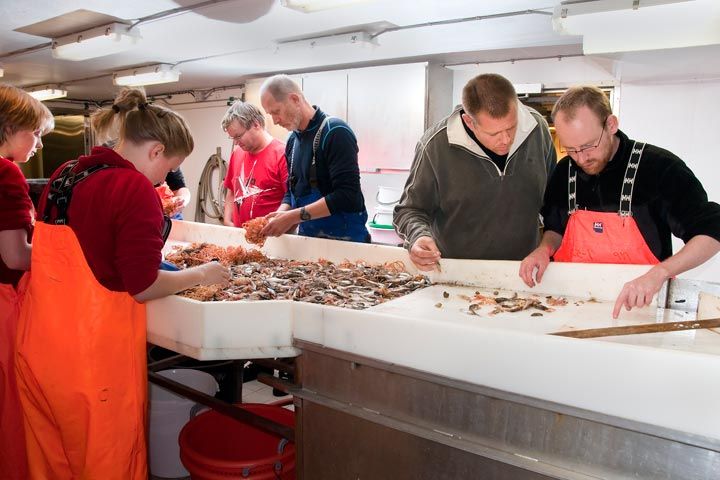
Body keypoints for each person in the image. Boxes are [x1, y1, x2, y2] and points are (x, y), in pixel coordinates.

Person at [15, 87, 230, 479]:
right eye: (168, 168)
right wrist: (203, 274)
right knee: (108, 465)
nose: (164, 180)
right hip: (93, 367)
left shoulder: (66, 174)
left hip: (37, 351)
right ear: (156, 151)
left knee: (51, 465)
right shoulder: (133, 188)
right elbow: (143, 286)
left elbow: (89, 251)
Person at [519, 85, 720, 318]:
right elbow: (555, 229)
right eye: (571, 150)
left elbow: (712, 232)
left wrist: (660, 272)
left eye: (588, 146)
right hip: (570, 308)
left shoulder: (660, 168)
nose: (581, 158)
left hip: (640, 310)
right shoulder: (564, 171)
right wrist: (544, 249)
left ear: (611, 125)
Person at [394, 73, 556, 270]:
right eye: (494, 133)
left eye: (512, 127)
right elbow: (409, 210)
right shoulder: (434, 146)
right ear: (469, 122)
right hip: (456, 274)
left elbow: (554, 203)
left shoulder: (537, 128)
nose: (506, 140)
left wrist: (547, 248)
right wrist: (418, 236)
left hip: (524, 272)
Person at [0, 84, 53, 480]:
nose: (39, 143)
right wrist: (68, 254)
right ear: (9, 127)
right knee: (13, 402)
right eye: (34, 133)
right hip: (4, 304)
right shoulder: (6, 172)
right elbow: (16, 256)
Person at [259, 74, 370, 242]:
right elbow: (291, 191)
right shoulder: (292, 141)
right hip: (310, 242)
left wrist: (293, 217)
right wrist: (281, 215)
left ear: (295, 99)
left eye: (276, 112)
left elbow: (347, 195)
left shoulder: (335, 132)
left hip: (346, 243)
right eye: (270, 114)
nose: (274, 121)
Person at [221, 100, 288, 227]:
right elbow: (231, 190)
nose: (236, 142)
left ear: (256, 125)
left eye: (238, 136)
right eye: (232, 138)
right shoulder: (237, 153)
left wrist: (275, 224)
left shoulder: (282, 154)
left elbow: (291, 199)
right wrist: (227, 220)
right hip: (239, 234)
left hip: (272, 234)